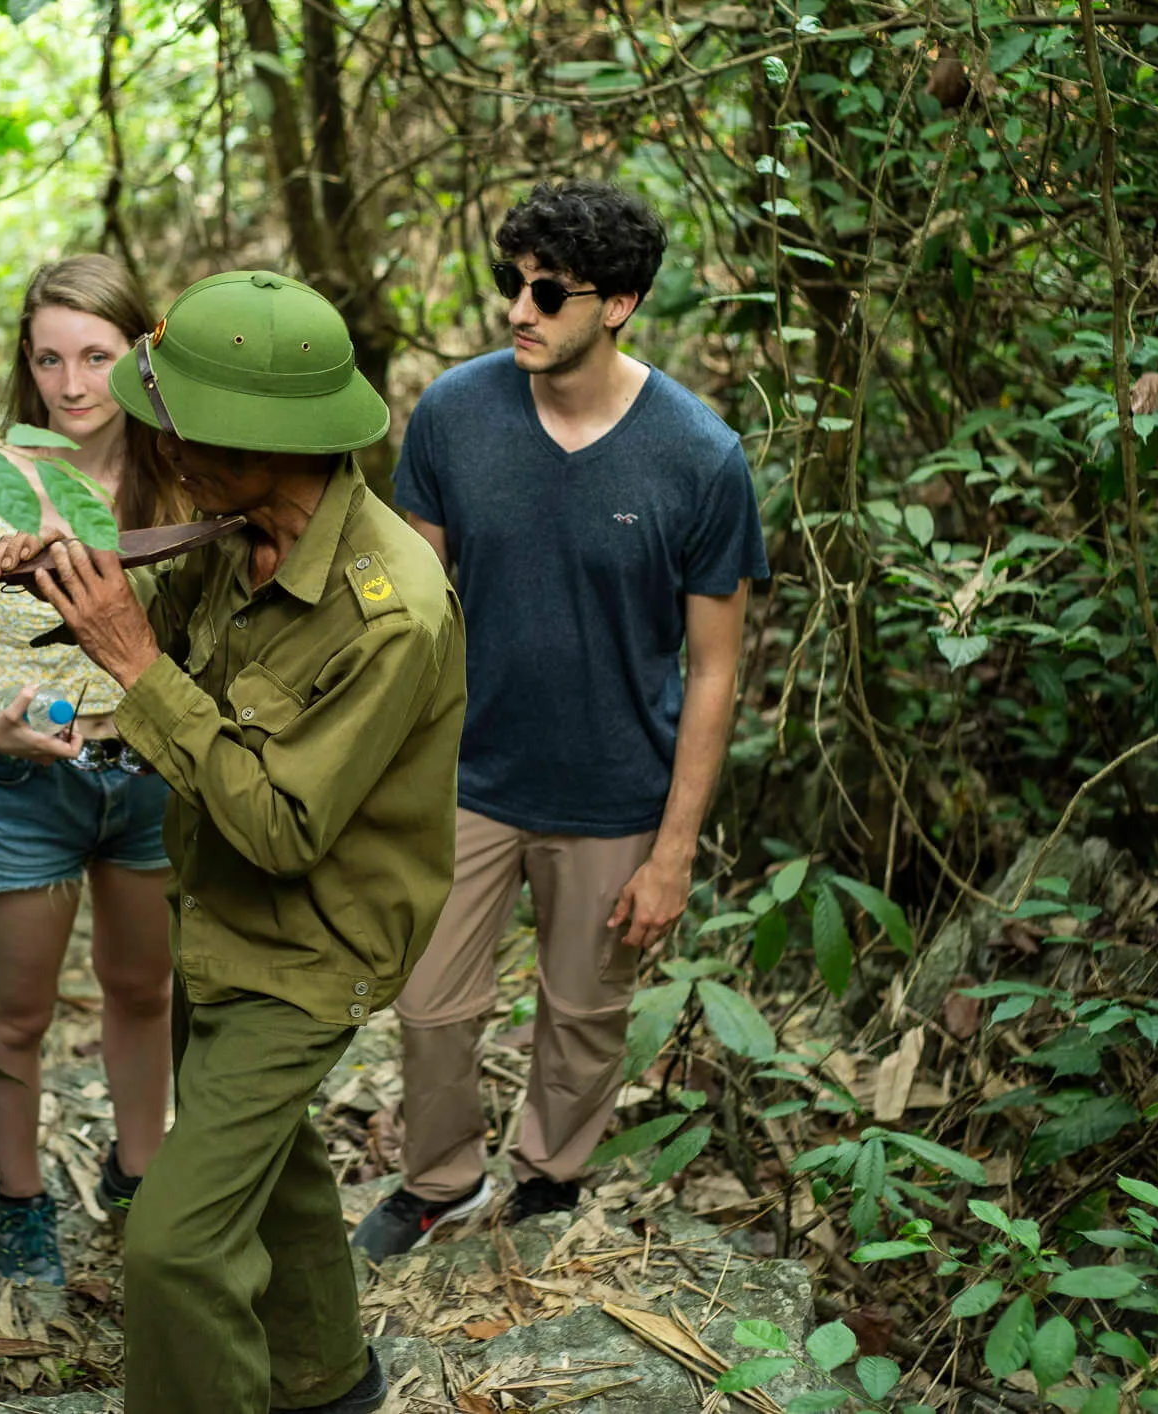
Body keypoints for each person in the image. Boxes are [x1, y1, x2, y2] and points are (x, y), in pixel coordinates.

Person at [0, 270, 465, 1414]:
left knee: (175, 1244)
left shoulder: (389, 609)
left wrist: (132, 662)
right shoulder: (239, 527)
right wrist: (60, 574)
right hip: (216, 915)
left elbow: (280, 824)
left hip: (307, 947)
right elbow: (184, 661)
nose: (155, 443)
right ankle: (326, 1378)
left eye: (175, 426)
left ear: (253, 441)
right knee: (270, 1164)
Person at [351, 180, 771, 1262]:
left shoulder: (698, 456)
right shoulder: (453, 412)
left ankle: (547, 1175)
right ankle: (440, 1177)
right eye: (510, 283)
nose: (518, 309)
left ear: (619, 302)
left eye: (548, 290)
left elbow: (715, 671)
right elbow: (409, 606)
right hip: (465, 777)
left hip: (611, 793)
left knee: (583, 1015)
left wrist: (672, 850)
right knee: (429, 1004)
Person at [0, 254, 190, 1285]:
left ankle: (139, 1171)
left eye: (97, 357)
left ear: (141, 352)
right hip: (22, 780)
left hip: (151, 769)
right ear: (25, 364)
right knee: (14, 1010)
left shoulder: (185, 470)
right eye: (49, 359)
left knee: (142, 987)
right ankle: (19, 1195)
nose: (71, 385)